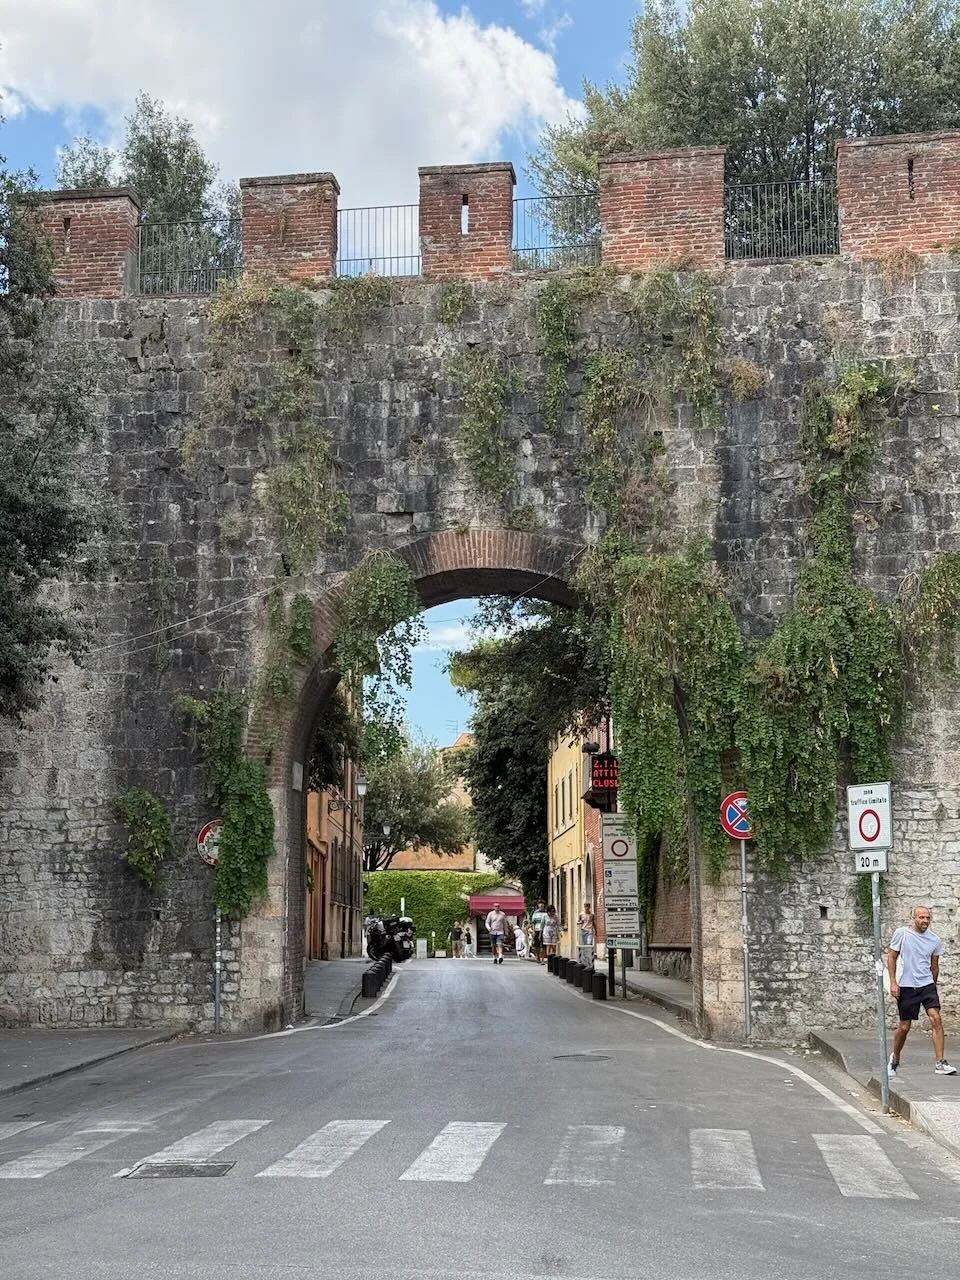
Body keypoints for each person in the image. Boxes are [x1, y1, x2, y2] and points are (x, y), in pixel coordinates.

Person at [887, 904, 957, 1076]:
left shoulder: (934, 940)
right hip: (907, 986)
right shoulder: (902, 934)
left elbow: (935, 966)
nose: (925, 920)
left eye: (927, 918)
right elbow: (891, 957)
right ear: (914, 918)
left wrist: (933, 985)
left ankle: (940, 1063)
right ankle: (895, 1059)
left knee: (936, 1018)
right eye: (921, 917)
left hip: (926, 985)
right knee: (904, 1026)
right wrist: (893, 982)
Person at [531, 899, 548, 964]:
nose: (541, 905)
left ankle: (543, 958)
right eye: (540, 903)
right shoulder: (535, 913)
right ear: (538, 905)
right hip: (537, 930)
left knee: (543, 945)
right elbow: (533, 922)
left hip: (544, 930)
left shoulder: (546, 913)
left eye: (542, 903)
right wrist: (533, 931)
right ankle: (538, 957)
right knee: (537, 944)